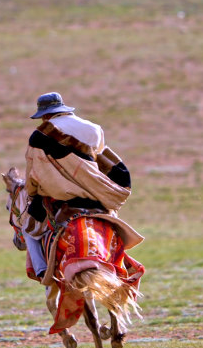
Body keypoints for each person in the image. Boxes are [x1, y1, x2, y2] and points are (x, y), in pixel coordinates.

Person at [23, 92, 133, 280]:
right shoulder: (94, 129)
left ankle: (42, 272)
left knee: (29, 229)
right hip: (95, 195)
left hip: (64, 198)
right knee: (112, 223)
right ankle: (123, 265)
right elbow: (99, 162)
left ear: (46, 115)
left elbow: (34, 173)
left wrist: (32, 192)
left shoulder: (39, 136)